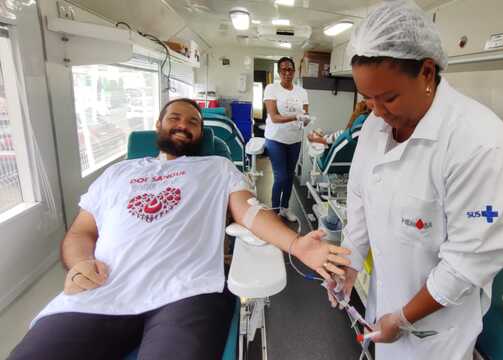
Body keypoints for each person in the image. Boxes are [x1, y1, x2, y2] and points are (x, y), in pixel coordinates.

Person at [9, 98, 350, 360]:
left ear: (201, 134)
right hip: (102, 290)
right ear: (158, 124)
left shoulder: (216, 168)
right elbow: (80, 232)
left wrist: (296, 245)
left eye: (193, 122)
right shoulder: (118, 174)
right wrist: (81, 261)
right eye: (174, 118)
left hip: (187, 292)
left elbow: (248, 211)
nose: (183, 125)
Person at [325, 2, 503, 359]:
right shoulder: (376, 130)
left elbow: (465, 263)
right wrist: (348, 264)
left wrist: (404, 319)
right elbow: (361, 203)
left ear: (427, 72)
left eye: (388, 97)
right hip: (385, 311)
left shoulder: (482, 147)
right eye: (368, 99)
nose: (376, 112)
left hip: (435, 335)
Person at [264, 57, 310, 222]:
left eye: (290, 69)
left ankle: (285, 207)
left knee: (290, 176)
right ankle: (274, 210)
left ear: (294, 71)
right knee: (281, 176)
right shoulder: (271, 88)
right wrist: (295, 116)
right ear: (279, 72)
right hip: (275, 138)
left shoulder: (302, 92)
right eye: (283, 69)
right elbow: (275, 117)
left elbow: (304, 115)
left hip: (294, 139)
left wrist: (305, 119)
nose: (287, 73)